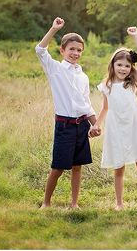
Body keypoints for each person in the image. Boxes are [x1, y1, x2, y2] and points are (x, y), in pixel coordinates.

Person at [89, 27, 137, 211]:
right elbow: (105, 108)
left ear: (131, 69)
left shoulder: (132, 83)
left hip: (135, 127)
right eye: (119, 65)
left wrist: (135, 36)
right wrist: (96, 124)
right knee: (118, 168)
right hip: (116, 129)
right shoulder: (107, 86)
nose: (123, 68)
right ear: (112, 65)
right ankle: (119, 203)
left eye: (127, 66)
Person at [36, 17, 99, 209]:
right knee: (57, 168)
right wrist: (54, 29)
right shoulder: (55, 69)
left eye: (79, 50)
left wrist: (95, 124)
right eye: (71, 49)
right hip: (64, 126)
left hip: (81, 125)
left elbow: (86, 104)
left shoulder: (83, 76)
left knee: (77, 166)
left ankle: (74, 203)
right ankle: (46, 203)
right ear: (62, 50)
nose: (75, 53)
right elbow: (40, 50)